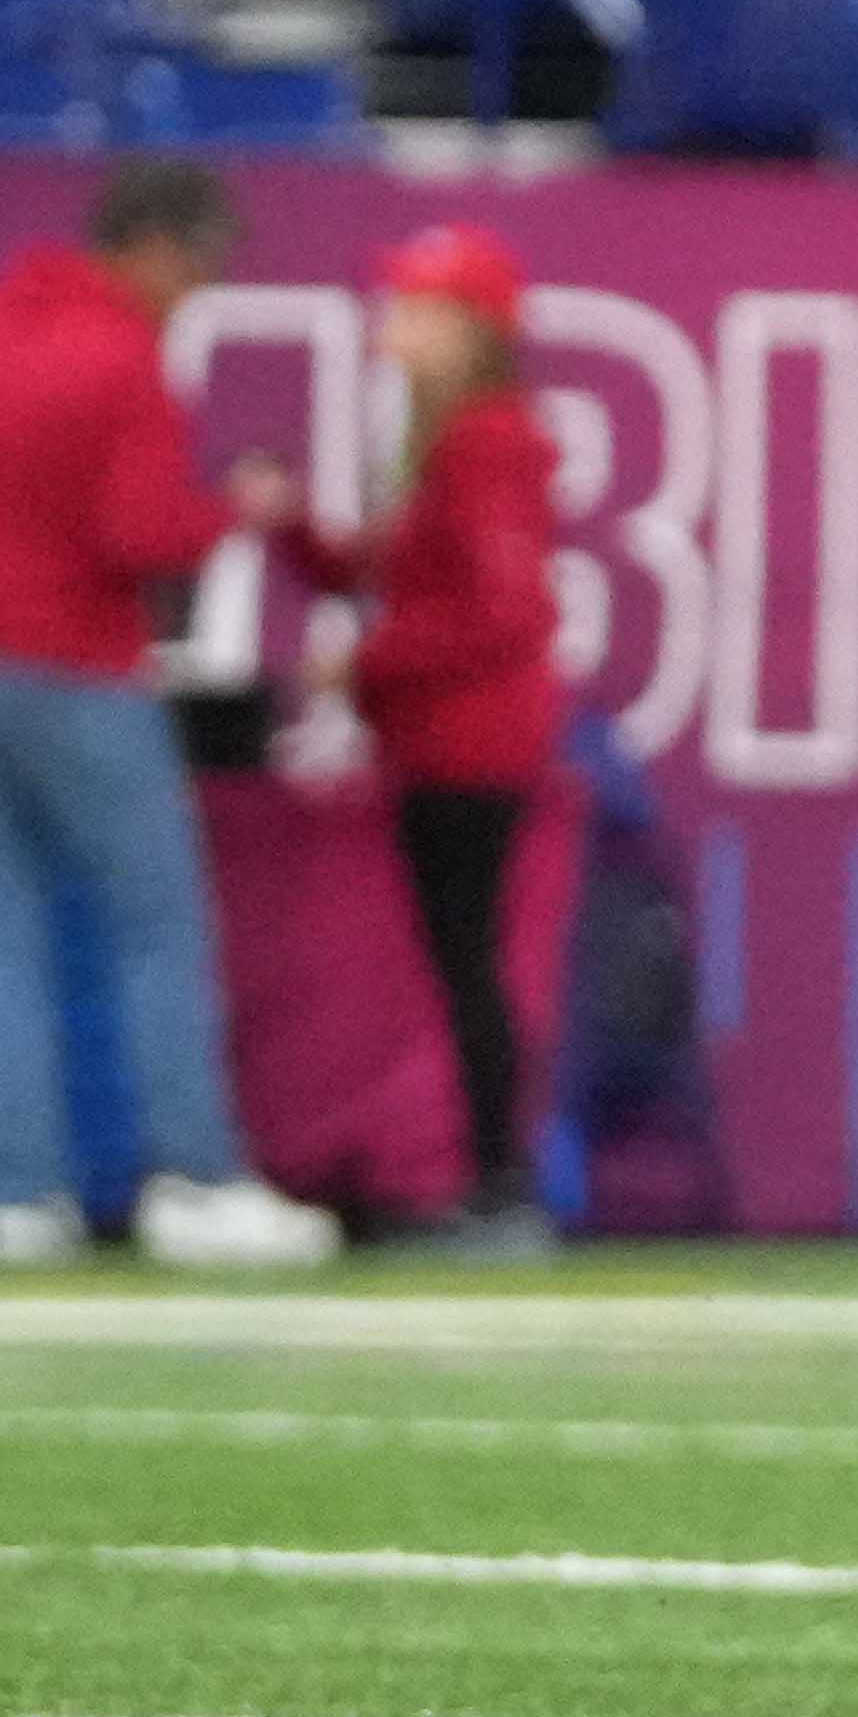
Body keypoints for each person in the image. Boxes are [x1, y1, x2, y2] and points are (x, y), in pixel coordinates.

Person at [0, 157, 340, 1271]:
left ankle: (21, 1199)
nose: (199, 294)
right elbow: (139, 538)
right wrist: (238, 511)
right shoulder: (124, 358)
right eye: (201, 269)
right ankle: (195, 1178)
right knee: (158, 926)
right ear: (159, 247)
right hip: (76, 670)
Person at [284, 224, 562, 1255]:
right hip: (442, 741)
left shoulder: (488, 442)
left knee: (471, 963)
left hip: (472, 746)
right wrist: (294, 530)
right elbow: (390, 573)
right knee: (462, 964)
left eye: (419, 309)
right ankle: (493, 1183)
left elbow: (504, 612)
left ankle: (502, 1187)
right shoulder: (447, 438)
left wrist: (365, 665)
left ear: (472, 330)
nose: (393, 324)